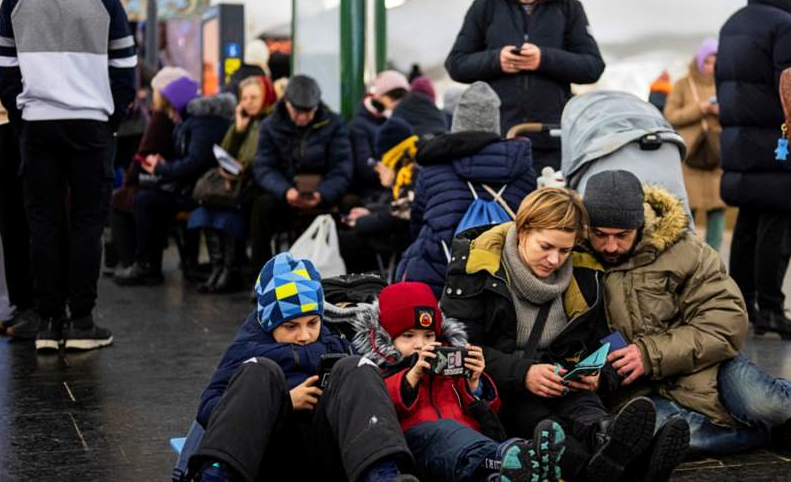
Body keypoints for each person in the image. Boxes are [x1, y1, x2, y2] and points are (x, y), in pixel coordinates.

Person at [579, 170, 791, 457]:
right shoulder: (574, 257)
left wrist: (650, 354)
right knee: (669, 435)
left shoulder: (686, 252)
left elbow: (726, 320)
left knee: (765, 405)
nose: (610, 246)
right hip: (637, 388)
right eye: (600, 235)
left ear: (640, 224)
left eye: (622, 235)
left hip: (708, 363)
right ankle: (773, 434)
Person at [441, 187, 688, 482]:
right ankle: (634, 468)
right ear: (522, 231)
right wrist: (523, 374)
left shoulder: (584, 272)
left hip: (566, 379)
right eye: (545, 247)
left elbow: (604, 338)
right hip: (505, 391)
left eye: (564, 250)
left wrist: (602, 373)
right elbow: (461, 349)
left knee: (588, 413)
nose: (554, 260)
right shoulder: (475, 268)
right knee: (547, 429)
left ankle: (608, 441)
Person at [0, 0, 136, 351]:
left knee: (43, 224)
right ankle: (82, 322)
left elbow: (5, 74)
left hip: (37, 124)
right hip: (91, 126)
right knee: (87, 224)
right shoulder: (107, 0)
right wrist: (112, 120)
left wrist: (23, 120)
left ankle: (47, 323)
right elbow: (125, 73)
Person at [189, 253, 417, 482]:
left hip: (323, 453)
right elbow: (209, 407)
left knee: (357, 367)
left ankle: (381, 474)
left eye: (312, 322)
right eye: (291, 326)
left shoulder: (334, 342)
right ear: (270, 323)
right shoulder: (248, 349)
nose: (305, 335)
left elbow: (368, 399)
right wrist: (283, 402)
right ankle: (217, 476)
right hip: (269, 456)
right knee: (260, 370)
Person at [350, 281, 566, 481]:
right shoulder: (377, 371)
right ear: (387, 337)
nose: (420, 344)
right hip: (417, 447)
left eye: (428, 335)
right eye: (408, 336)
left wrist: (475, 382)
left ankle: (523, 467)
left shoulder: (450, 365)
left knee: (474, 454)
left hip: (467, 451)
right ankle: (514, 460)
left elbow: (490, 413)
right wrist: (412, 377)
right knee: (446, 431)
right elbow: (377, 409)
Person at [715, 0, 791, 340]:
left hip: (740, 142)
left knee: (748, 223)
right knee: (779, 222)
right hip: (777, 141)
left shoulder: (733, 23)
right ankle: (772, 309)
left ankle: (741, 306)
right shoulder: (788, 28)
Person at [445, 0, 605, 173]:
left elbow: (593, 67)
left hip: (550, 138)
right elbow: (456, 64)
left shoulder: (569, 8)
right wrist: (495, 60)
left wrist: (544, 59)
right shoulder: (484, 7)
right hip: (497, 138)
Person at [396, 82, 536, 295]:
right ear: (496, 123)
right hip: (502, 280)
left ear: (457, 122)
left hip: (438, 276)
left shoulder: (434, 167)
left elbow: (417, 223)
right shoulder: (524, 170)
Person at [0, 0, 50, 339]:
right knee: (11, 218)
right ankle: (22, 303)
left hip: (49, 122)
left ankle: (44, 306)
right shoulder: (8, 1)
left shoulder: (72, 1)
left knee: (41, 218)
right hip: (7, 122)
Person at [116, 81, 233, 286]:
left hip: (198, 191)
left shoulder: (202, 122)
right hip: (189, 186)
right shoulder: (191, 121)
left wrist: (160, 168)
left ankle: (146, 265)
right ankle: (147, 263)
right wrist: (164, 165)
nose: (168, 114)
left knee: (145, 201)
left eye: (169, 108)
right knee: (144, 198)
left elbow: (194, 163)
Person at [250, 75, 353, 275]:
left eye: (309, 112)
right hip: (286, 193)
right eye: (298, 112)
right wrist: (285, 191)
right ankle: (261, 277)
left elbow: (342, 168)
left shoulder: (334, 124)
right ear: (286, 103)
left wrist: (323, 193)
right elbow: (264, 167)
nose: (303, 118)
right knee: (261, 207)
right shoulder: (271, 125)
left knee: (350, 205)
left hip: (323, 195)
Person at [189, 76, 276, 293]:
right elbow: (225, 152)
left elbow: (263, 159)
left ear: (266, 96)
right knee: (207, 206)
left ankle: (230, 271)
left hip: (253, 183)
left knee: (229, 209)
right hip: (235, 181)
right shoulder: (243, 122)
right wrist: (238, 128)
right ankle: (218, 269)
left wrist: (242, 166)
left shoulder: (271, 122)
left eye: (254, 97)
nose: (248, 102)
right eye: (244, 98)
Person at [108, 67, 188, 278]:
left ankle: (138, 262)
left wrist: (131, 180)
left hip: (173, 182)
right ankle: (142, 261)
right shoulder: (179, 116)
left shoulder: (162, 118)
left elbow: (144, 152)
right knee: (135, 198)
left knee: (125, 198)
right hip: (174, 180)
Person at [664, 38, 725, 251]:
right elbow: (670, 115)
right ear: (699, 61)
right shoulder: (683, 84)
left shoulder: (724, 84)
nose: (710, 67)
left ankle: (713, 258)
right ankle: (685, 254)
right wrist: (699, 109)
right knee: (686, 209)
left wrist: (721, 112)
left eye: (715, 62)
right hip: (690, 157)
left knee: (717, 209)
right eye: (707, 61)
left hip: (716, 155)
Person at [340, 117, 417, 273]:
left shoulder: (410, 173)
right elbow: (398, 208)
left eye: (378, 163)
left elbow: (399, 216)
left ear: (389, 158)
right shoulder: (409, 167)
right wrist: (370, 212)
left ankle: (358, 289)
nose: (376, 169)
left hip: (406, 238)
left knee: (348, 241)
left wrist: (362, 222)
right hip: (406, 233)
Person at [350, 70, 410, 204]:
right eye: (394, 97)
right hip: (373, 194)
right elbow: (364, 166)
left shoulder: (396, 120)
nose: (397, 103)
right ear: (377, 97)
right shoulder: (359, 125)